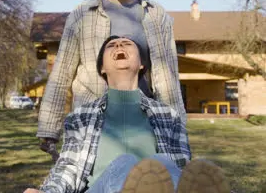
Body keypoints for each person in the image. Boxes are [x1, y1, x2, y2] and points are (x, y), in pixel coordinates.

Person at [37, 0, 186, 159]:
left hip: (142, 122)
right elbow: (62, 72)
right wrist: (49, 128)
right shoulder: (82, 15)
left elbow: (167, 76)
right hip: (90, 122)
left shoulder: (156, 16)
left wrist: (177, 129)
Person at [25, 36, 230, 193]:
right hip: (102, 188)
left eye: (127, 44)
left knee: (164, 162)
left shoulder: (169, 116)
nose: (120, 46)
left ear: (142, 64)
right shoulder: (80, 118)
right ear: (102, 68)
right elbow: (69, 168)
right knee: (125, 163)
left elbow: (180, 167)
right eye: (112, 46)